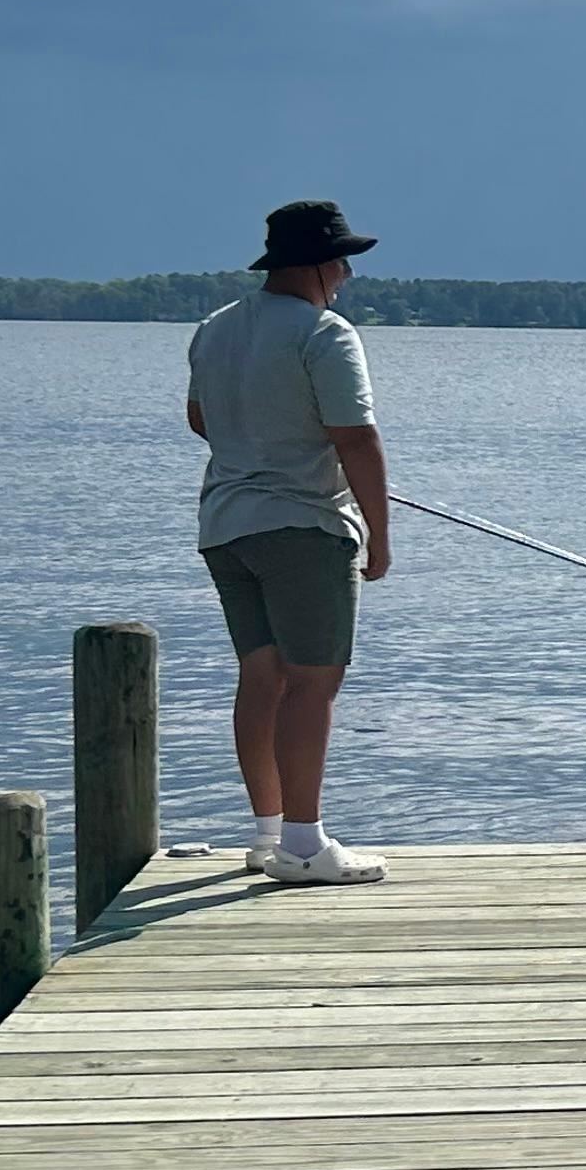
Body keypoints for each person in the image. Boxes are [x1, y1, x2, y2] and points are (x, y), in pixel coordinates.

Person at [185, 199, 398, 885]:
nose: (345, 274)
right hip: (303, 529)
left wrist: (259, 447)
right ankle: (305, 848)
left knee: (261, 676)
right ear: (313, 265)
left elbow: (200, 418)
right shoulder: (325, 333)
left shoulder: (215, 329)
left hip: (225, 527)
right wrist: (381, 534)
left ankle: (267, 836)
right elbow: (356, 436)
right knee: (314, 682)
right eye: (341, 261)